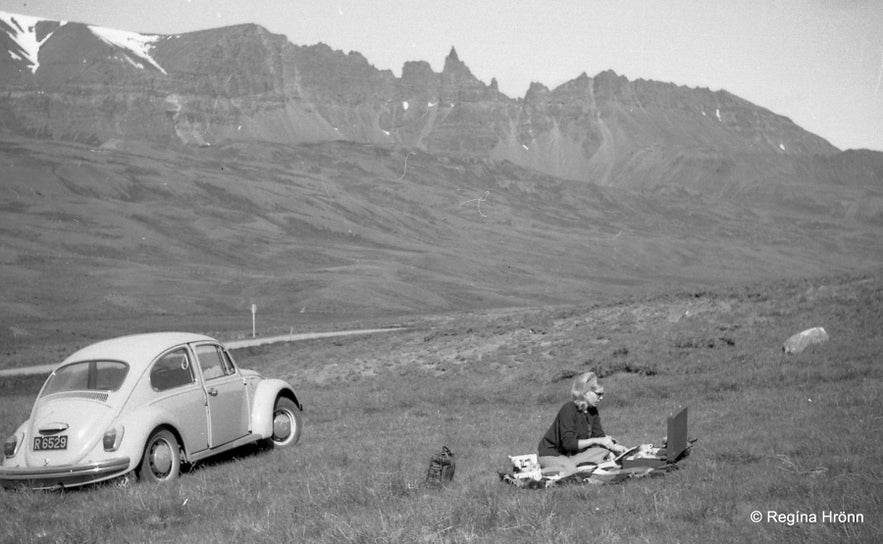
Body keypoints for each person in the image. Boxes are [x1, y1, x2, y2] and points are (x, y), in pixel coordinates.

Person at [537, 371, 628, 477]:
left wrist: (615, 447)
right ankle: (544, 471)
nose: (601, 398)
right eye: (598, 394)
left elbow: (599, 436)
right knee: (571, 474)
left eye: (602, 394)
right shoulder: (569, 409)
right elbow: (568, 443)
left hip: (572, 454)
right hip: (553, 453)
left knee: (605, 453)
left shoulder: (593, 411)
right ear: (585, 392)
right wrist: (596, 440)